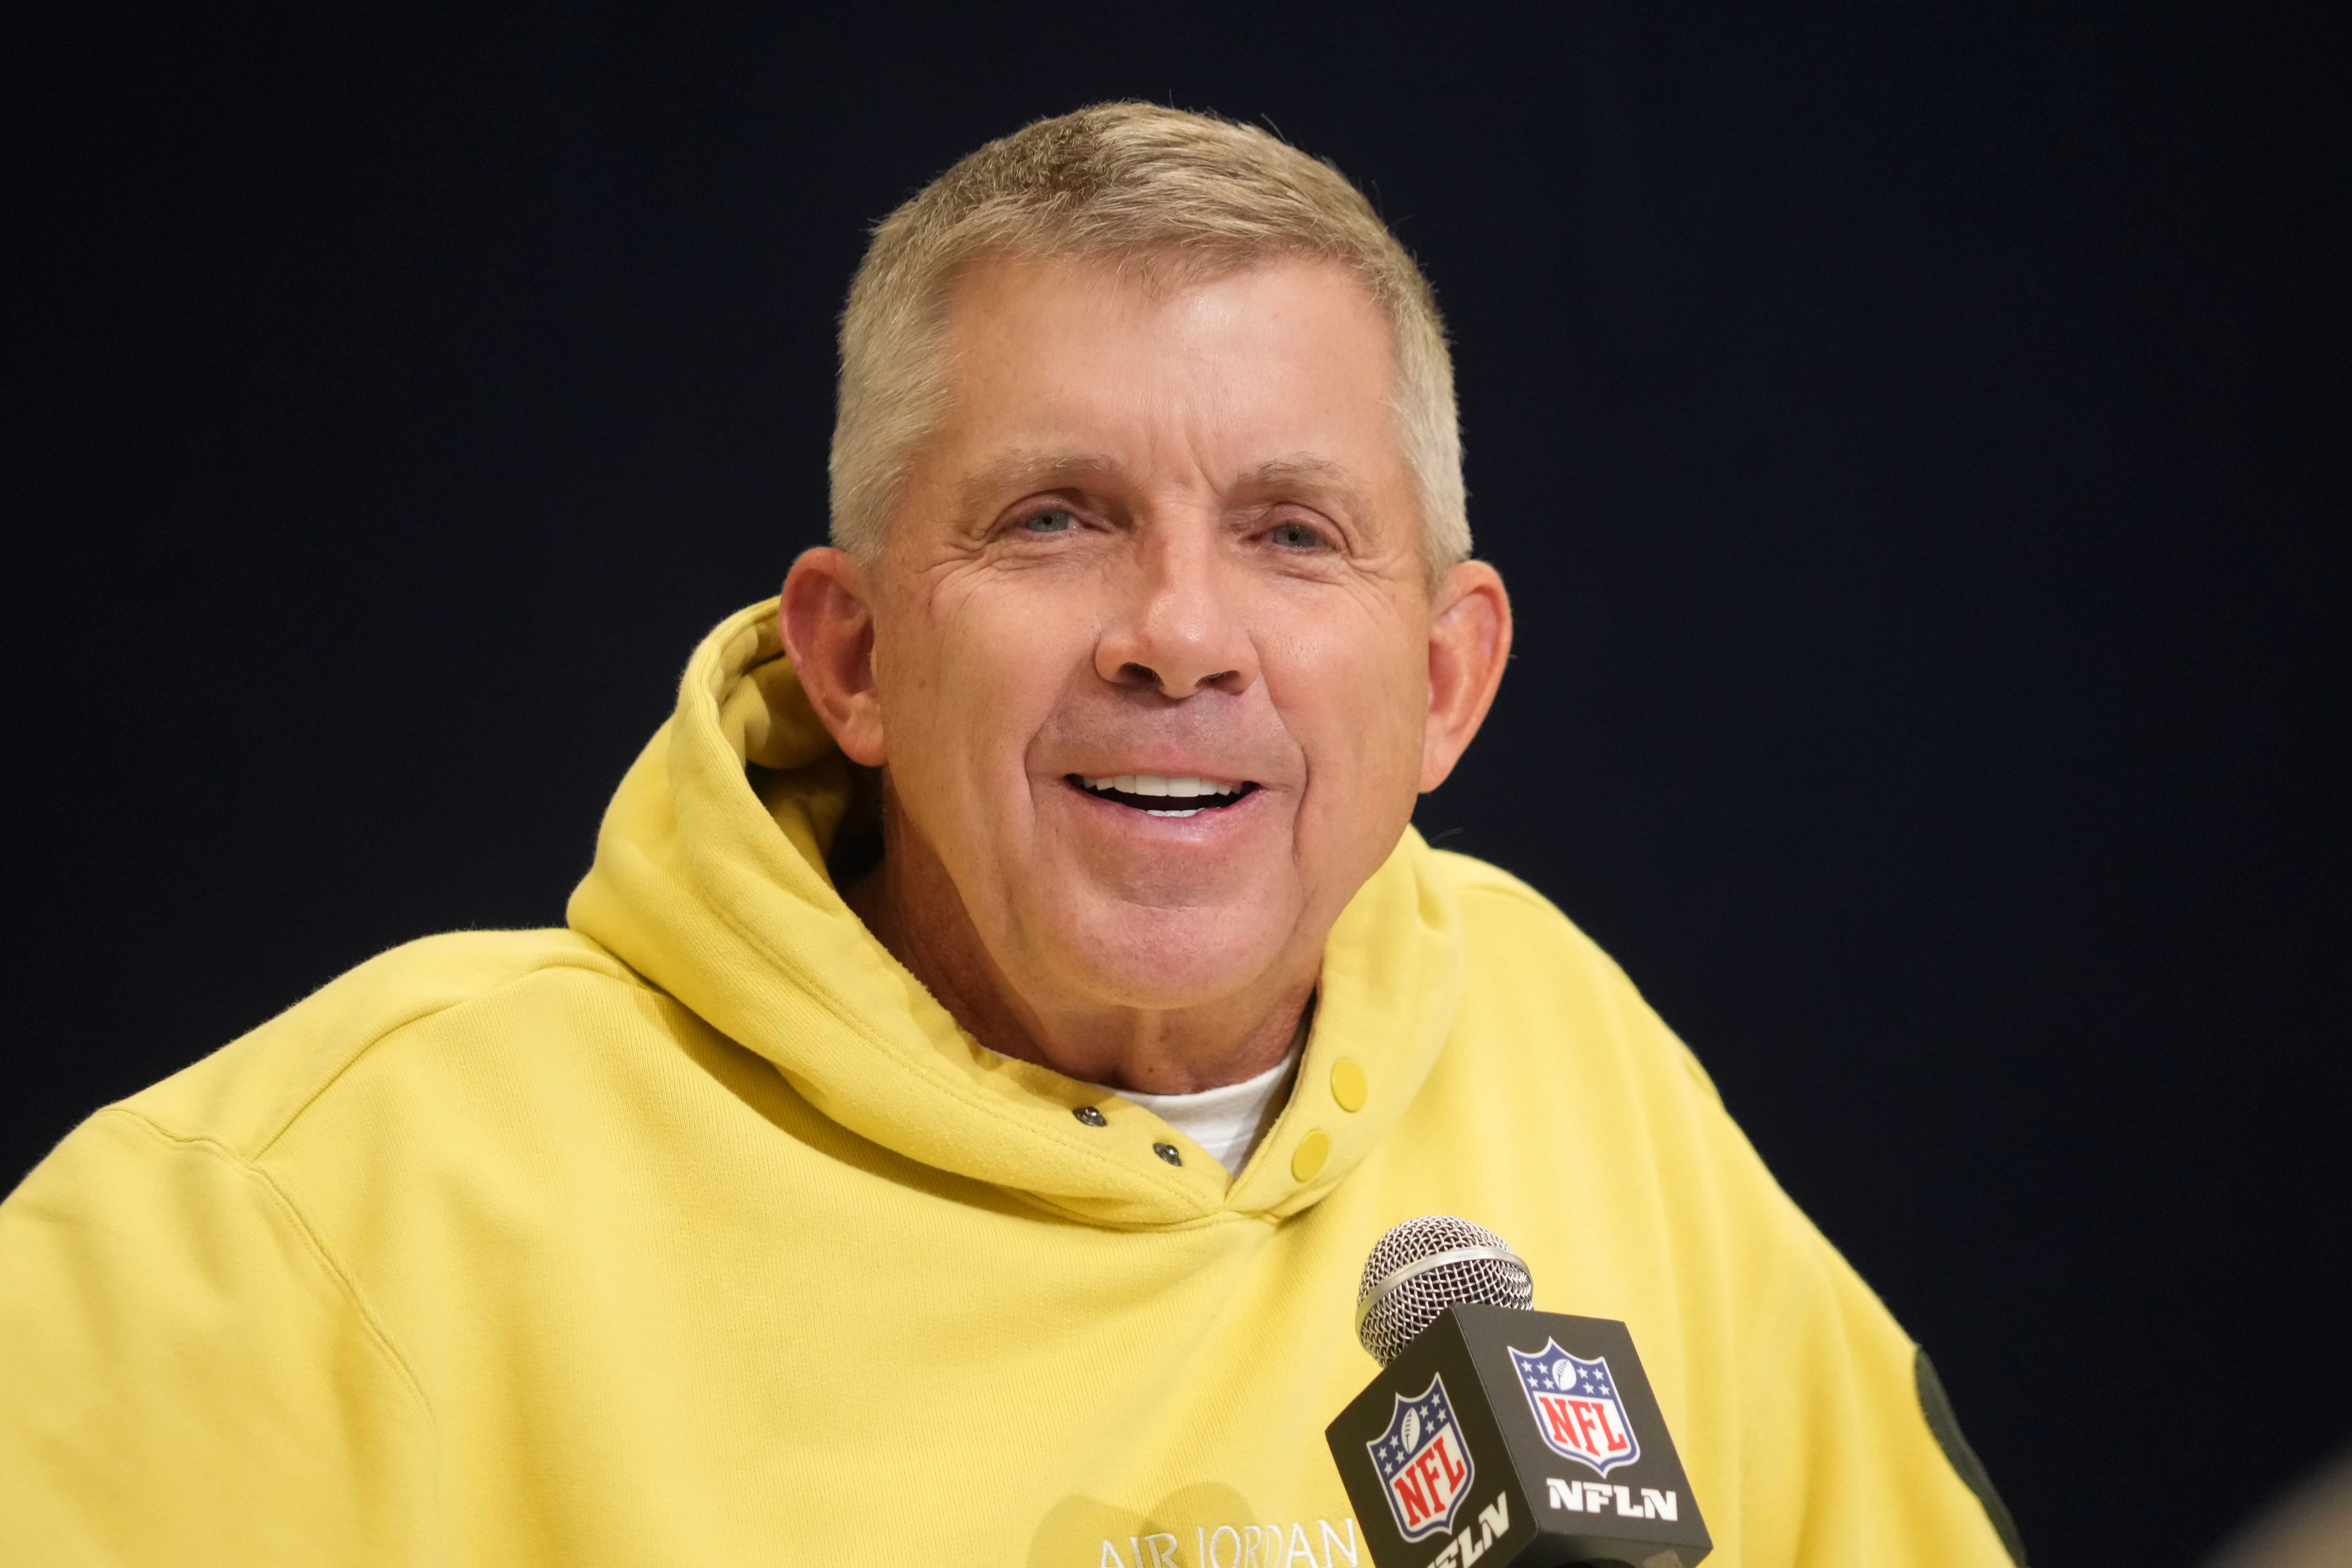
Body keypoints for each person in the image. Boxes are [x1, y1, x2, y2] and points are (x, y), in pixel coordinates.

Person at [0, 103, 2024, 1567]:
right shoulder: (321, 1209)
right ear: (858, 651)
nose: (1176, 636)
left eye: (1291, 533)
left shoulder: (1571, 1055)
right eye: (1054, 518)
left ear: (1442, 680)